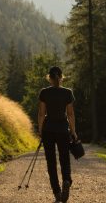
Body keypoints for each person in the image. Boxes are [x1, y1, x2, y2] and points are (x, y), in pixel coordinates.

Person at [38, 66, 77, 203]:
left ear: (49, 77)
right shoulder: (67, 93)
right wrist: (73, 132)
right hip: (62, 130)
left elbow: (42, 113)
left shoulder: (44, 92)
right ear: (61, 77)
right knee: (64, 158)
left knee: (51, 162)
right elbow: (70, 114)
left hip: (48, 130)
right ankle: (66, 180)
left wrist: (40, 130)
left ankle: (57, 192)